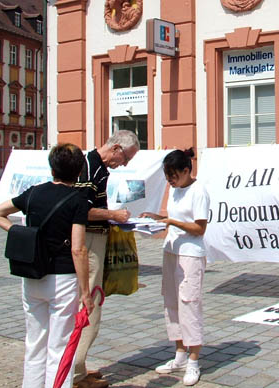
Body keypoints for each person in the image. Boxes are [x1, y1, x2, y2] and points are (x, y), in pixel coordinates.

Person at [0, 143, 93, 388]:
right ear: (79, 172)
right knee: (60, 345)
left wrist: (20, 233)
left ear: (52, 168)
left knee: (35, 343)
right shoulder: (78, 199)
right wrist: (86, 292)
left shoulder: (34, 193)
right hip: (63, 278)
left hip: (33, 274)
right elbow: (78, 249)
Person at [73, 130, 140, 388]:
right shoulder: (90, 167)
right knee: (90, 303)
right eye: (126, 158)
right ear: (116, 148)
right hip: (88, 241)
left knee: (90, 301)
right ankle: (75, 375)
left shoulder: (96, 166)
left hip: (93, 239)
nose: (124, 164)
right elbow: (81, 210)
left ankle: (79, 367)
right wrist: (113, 215)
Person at [141, 148, 210, 386]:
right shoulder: (174, 190)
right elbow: (173, 219)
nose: (170, 180)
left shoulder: (199, 191)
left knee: (189, 304)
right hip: (171, 251)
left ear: (186, 170)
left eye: (174, 175)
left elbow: (199, 228)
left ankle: (193, 360)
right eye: (167, 176)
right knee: (171, 303)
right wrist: (157, 219)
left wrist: (172, 222)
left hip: (190, 254)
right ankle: (180, 353)